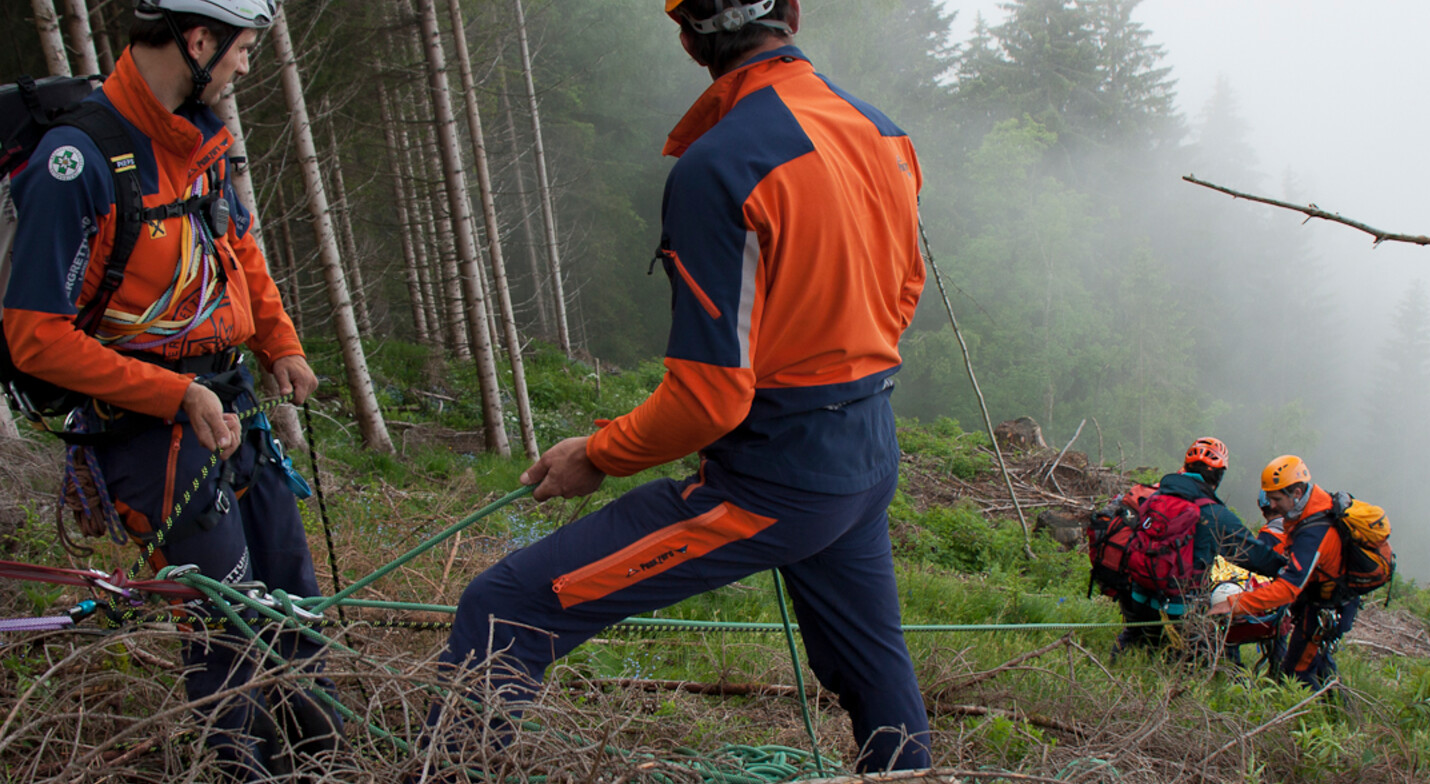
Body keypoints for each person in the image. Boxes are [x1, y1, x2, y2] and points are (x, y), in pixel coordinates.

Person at [435, 0, 931, 771]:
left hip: (775, 481)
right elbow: (905, 291)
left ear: (687, 37)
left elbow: (710, 400)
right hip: (865, 456)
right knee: (872, 671)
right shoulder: (883, 131)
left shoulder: (719, 166)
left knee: (503, 609)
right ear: (791, 13)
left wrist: (597, 453)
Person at [3, 1, 333, 777]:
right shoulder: (78, 159)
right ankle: (240, 768)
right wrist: (171, 395)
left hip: (232, 400)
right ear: (198, 40)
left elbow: (238, 248)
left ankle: (320, 757)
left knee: (289, 592)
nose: (247, 68)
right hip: (149, 426)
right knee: (225, 620)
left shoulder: (204, 144)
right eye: (245, 50)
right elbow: (33, 334)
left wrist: (278, 343)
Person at [1113, 437, 1285, 657]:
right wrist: (1289, 572)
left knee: (1136, 640)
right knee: (1198, 657)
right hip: (1181, 605)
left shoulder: (1156, 497)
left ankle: (1120, 664)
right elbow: (1252, 554)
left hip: (1139, 593)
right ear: (1219, 475)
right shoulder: (1215, 514)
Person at [1207, 455, 1361, 688]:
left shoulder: (1314, 531)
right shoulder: (1310, 511)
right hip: (1324, 602)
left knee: (1298, 674)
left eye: (1276, 499)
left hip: (1328, 605)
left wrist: (1234, 604)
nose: (1273, 506)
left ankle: (1313, 719)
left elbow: (1288, 588)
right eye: (1269, 500)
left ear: (1297, 493)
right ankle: (1337, 713)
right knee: (1316, 665)